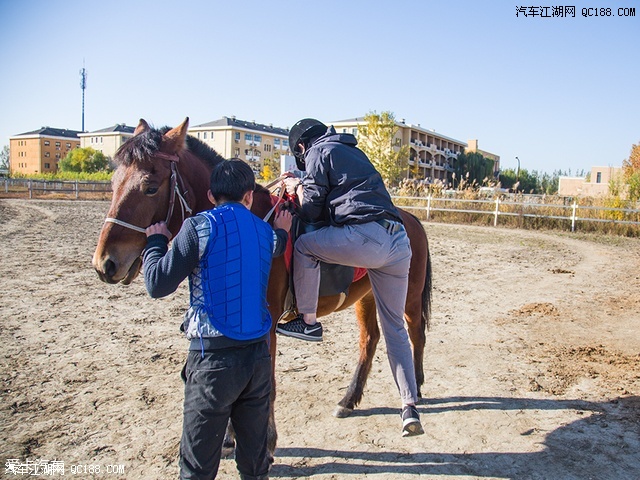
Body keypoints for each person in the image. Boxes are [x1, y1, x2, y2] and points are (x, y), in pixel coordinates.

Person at [143, 159, 292, 479]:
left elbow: (157, 284)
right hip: (257, 360)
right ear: (250, 196)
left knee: (198, 467)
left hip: (211, 360)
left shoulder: (197, 227)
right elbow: (279, 245)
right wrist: (283, 229)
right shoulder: (266, 233)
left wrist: (155, 241)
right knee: (255, 466)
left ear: (211, 196)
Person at [275, 119, 424, 437]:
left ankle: (309, 321)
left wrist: (295, 188)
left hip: (367, 238)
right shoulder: (351, 151)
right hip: (398, 240)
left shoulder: (316, 151)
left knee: (304, 246)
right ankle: (409, 408)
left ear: (301, 146)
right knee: (395, 329)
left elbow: (313, 210)